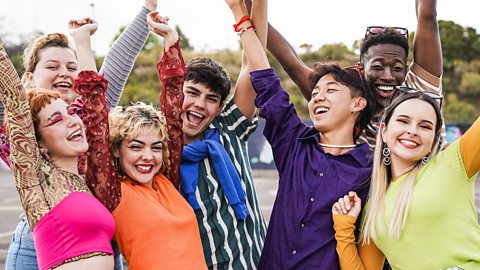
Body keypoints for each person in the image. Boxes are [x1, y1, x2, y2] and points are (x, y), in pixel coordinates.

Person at [3, 1, 156, 269]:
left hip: (101, 240)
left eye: (71, 67)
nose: (64, 73)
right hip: (40, 245)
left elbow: (116, 66)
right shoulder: (15, 124)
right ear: (28, 78)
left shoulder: (84, 117)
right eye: (52, 66)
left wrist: (147, 9)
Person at [225, 0, 376, 268]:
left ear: (358, 104)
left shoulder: (371, 171)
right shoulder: (295, 146)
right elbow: (264, 78)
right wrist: (238, 10)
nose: (318, 98)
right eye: (315, 93)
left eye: (330, 91)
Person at [76, 11, 207, 269]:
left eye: (156, 147)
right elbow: (95, 117)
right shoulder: (112, 192)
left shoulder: (166, 179)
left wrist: (171, 41)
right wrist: (82, 43)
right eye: (136, 146)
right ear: (115, 150)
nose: (148, 156)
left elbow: (172, 112)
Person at [251, 0, 444, 149]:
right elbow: (291, 62)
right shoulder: (345, 105)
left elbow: (426, 17)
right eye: (377, 66)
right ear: (362, 66)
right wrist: (247, 6)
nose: (387, 76)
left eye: (397, 68)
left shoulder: (418, 90)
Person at [0, 33, 116, 269]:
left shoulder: (89, 182)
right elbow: (14, 99)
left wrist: (83, 41)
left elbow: (96, 106)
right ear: (37, 143)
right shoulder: (36, 182)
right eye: (56, 120)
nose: (74, 120)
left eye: (71, 113)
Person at [332, 89, 480, 269]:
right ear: (384, 131)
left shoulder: (454, 162)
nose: (412, 131)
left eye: (425, 126)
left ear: (434, 140)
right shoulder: (373, 208)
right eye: (403, 121)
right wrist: (344, 227)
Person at [177, 1, 268, 268]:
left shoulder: (229, 129)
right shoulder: (156, 151)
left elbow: (254, 63)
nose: (199, 104)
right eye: (192, 92)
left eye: (211, 99)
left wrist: (256, 4)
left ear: (219, 108)